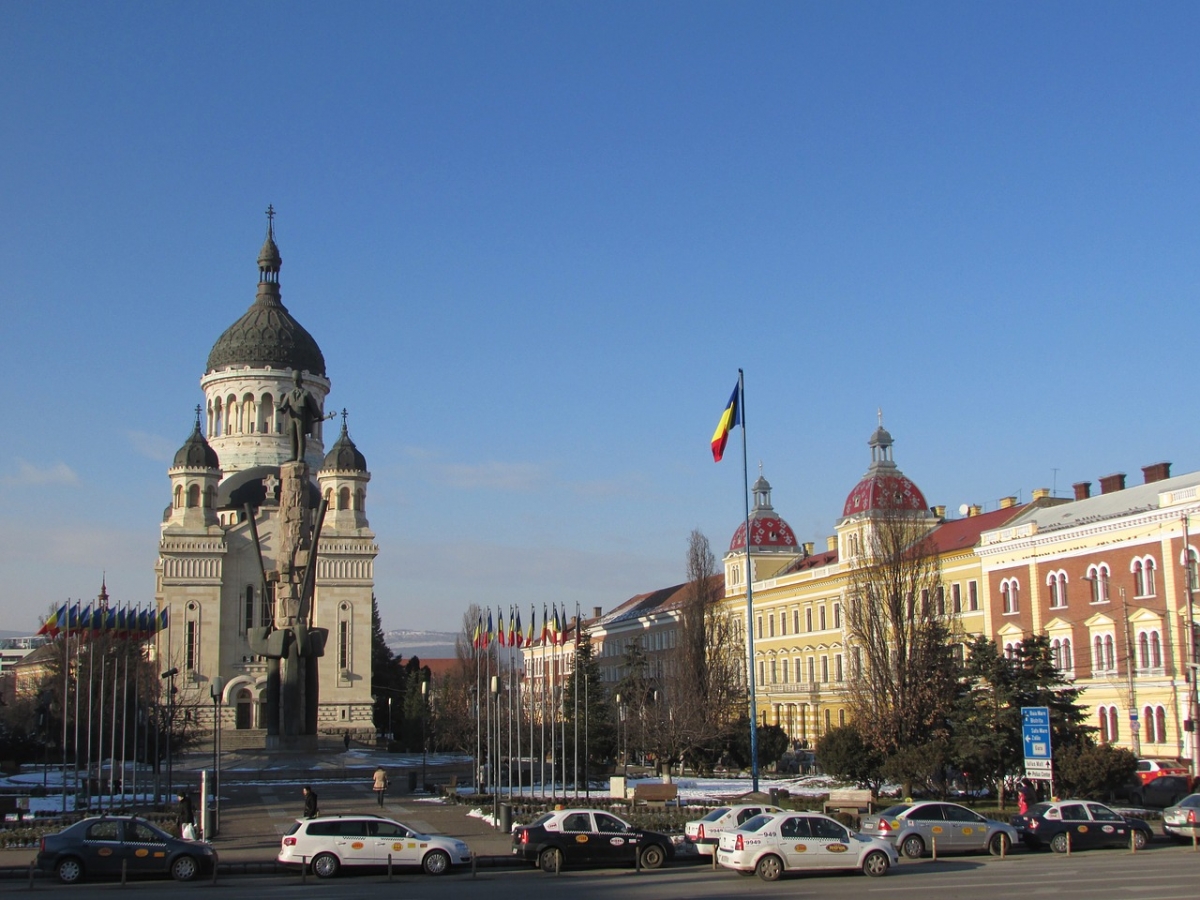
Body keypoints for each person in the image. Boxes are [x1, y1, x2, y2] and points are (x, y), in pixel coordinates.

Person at [278, 370, 324, 462]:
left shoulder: (306, 393)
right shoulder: (289, 394)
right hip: (292, 417)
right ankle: (293, 455)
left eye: (297, 380)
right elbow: (284, 406)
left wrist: (319, 415)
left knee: (300, 436)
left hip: (302, 418)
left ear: (300, 381)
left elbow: (313, 407)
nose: (295, 382)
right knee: (292, 436)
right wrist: (282, 409)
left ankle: (300, 456)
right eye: (294, 380)